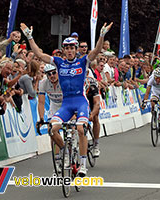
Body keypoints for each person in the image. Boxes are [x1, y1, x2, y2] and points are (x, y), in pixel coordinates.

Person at [20, 21, 113, 177]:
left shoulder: (82, 61)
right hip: (66, 104)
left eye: (72, 48)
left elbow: (97, 50)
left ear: (76, 50)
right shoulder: (59, 62)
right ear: (64, 50)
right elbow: (39, 54)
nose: (70, 51)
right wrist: (29, 37)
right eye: (67, 48)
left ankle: (83, 164)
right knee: (52, 129)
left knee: (80, 128)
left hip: (80, 102)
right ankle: (64, 150)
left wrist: (102, 35)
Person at [85, 75, 101, 157]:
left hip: (91, 99)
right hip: (80, 100)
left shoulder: (92, 85)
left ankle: (96, 144)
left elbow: (97, 104)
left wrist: (91, 114)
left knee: (95, 118)